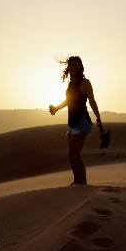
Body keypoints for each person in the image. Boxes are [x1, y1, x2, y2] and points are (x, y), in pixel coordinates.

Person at [49, 56, 102, 186]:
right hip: (72, 122)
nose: (74, 67)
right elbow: (69, 101)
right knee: (71, 154)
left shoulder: (85, 83)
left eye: (76, 65)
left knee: (75, 154)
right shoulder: (71, 84)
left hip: (82, 121)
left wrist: (98, 117)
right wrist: (56, 108)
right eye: (72, 65)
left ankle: (83, 183)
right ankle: (76, 181)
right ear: (69, 67)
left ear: (80, 67)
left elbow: (92, 100)